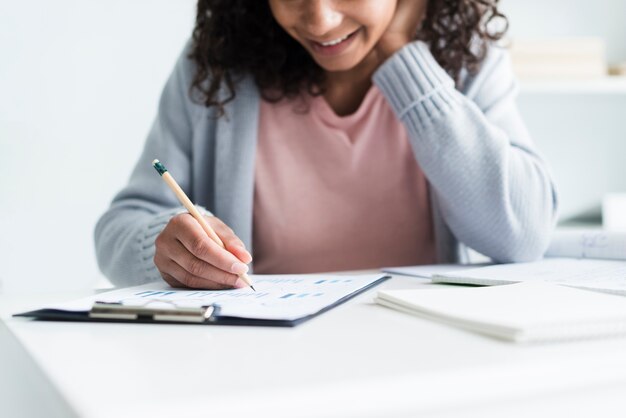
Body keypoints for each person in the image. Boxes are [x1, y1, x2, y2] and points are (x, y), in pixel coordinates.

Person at [95, 0, 558, 289]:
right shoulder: (216, 68)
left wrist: (401, 55)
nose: (320, 19)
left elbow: (523, 232)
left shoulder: (464, 62)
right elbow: (121, 224)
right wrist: (166, 247)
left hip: (422, 360)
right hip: (256, 362)